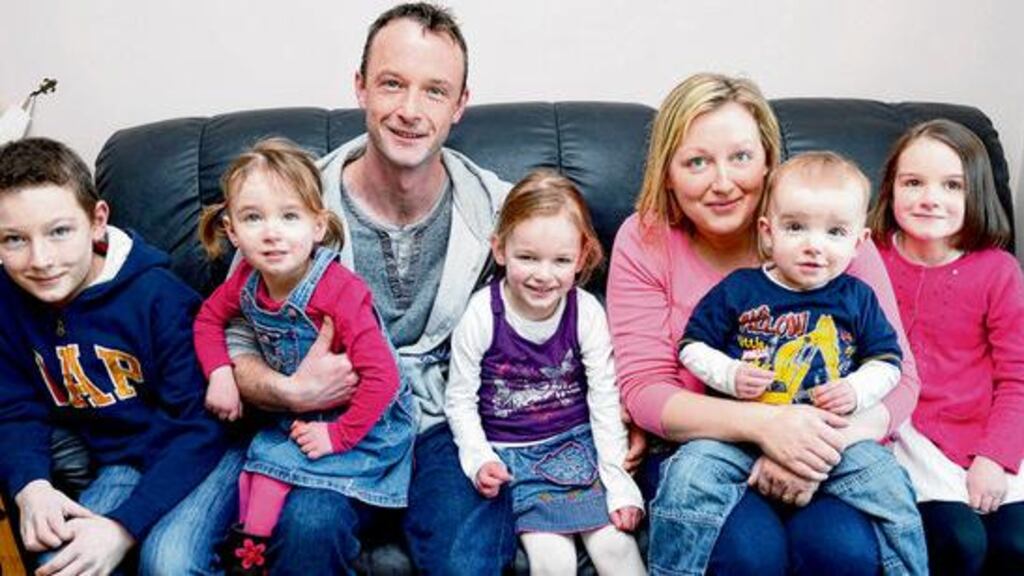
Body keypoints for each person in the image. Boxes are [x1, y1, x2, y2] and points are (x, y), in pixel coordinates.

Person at [219, 4, 550, 573]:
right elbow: (234, 332)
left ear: (460, 105)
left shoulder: (501, 213)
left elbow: (566, 315)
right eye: (392, 84)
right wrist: (290, 391)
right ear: (361, 88)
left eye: (435, 91)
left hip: (447, 423)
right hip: (337, 425)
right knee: (305, 528)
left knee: (465, 556)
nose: (409, 111)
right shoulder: (294, 207)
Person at [606, 72, 924, 576]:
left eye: (741, 157)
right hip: (701, 449)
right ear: (667, 173)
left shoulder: (827, 233)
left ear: (769, 160)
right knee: (749, 557)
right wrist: (771, 425)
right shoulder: (644, 238)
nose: (723, 182)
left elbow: (901, 377)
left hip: (831, 445)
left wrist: (810, 448)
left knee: (844, 552)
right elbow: (645, 391)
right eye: (696, 162)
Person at [675, 150, 926, 572]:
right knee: (687, 475)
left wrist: (855, 389)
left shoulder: (856, 297)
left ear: (858, 242)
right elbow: (691, 347)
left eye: (834, 232)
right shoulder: (739, 289)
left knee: (891, 484)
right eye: (795, 228)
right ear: (767, 232)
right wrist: (731, 375)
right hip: (739, 436)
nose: (814, 246)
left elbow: (888, 363)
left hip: (835, 442)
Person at [0, 137, 236, 576]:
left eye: (59, 231)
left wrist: (123, 527)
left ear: (97, 221)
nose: (40, 260)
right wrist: (30, 485)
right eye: (14, 239)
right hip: (124, 461)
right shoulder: (7, 301)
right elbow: (13, 407)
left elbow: (203, 425)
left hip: (205, 453)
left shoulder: (159, 298)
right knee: (60, 564)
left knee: (168, 562)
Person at [193, 138, 415, 574]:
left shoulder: (339, 291)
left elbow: (384, 379)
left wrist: (339, 436)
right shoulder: (244, 280)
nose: (272, 232)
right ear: (233, 231)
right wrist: (220, 373)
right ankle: (251, 546)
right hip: (302, 416)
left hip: (366, 425)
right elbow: (206, 321)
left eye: (289, 216)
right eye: (253, 218)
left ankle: (250, 552)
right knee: (256, 470)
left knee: (273, 470)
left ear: (317, 225)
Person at [445, 170, 646, 575]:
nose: (543, 274)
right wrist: (478, 458)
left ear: (583, 257)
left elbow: (604, 398)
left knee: (616, 548)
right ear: (499, 250)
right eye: (527, 257)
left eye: (561, 260)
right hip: (512, 454)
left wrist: (619, 482)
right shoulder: (483, 314)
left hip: (578, 448)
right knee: (553, 561)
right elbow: (459, 401)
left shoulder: (586, 311)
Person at [869, 119, 1024, 576]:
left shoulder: (998, 271)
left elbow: (1018, 376)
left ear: (975, 192)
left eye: (951, 185)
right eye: (912, 182)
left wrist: (995, 458)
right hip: (909, 435)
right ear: (890, 189)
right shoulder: (868, 257)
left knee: (1016, 543)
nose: (929, 198)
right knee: (959, 540)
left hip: (986, 430)